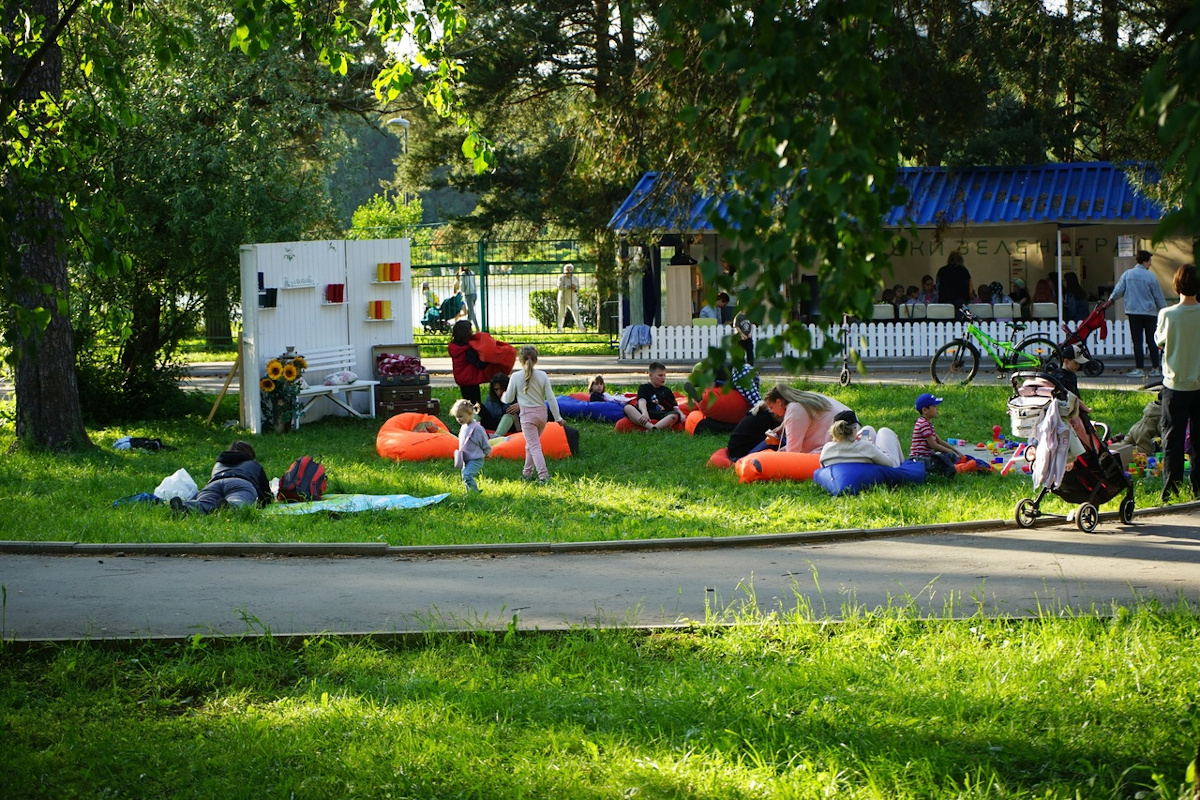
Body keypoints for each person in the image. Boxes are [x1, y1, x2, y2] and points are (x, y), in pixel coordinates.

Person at [1154, 263, 1200, 502]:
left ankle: (1171, 491)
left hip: (1174, 384)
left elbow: (1160, 341)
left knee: (1172, 439)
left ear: (1177, 284)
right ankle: (1199, 489)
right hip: (1199, 384)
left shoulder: (1167, 315)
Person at [501, 345, 564, 483]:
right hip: (542, 414)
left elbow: (509, 398)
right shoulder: (542, 376)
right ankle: (527, 473)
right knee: (531, 444)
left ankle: (543, 476)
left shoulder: (516, 376)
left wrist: (503, 397)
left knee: (534, 446)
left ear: (520, 360)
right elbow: (551, 398)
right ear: (536, 360)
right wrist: (558, 417)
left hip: (527, 416)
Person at [170, 441, 273, 515]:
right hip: (240, 482)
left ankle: (187, 506)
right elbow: (266, 491)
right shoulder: (253, 464)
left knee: (205, 502)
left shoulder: (218, 465)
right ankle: (230, 506)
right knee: (240, 500)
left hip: (214, 484)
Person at [1110, 250, 1167, 378]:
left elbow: (1118, 290)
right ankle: (1155, 367)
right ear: (1145, 261)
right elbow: (1158, 295)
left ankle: (1139, 368)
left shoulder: (1128, 274)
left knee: (1137, 341)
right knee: (1152, 341)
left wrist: (1111, 299)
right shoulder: (1151, 276)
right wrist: (1164, 309)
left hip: (1133, 312)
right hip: (1149, 312)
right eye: (1150, 261)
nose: (1150, 264)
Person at [762, 384, 850, 453]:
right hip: (850, 430)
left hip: (840, 441)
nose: (771, 411)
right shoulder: (802, 401)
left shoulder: (794, 410)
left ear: (778, 402)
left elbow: (792, 452)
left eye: (771, 407)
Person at [448, 319, 513, 405]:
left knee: (468, 402)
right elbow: (480, 365)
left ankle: (470, 416)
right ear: (466, 332)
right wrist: (490, 359)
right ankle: (479, 418)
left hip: (461, 379)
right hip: (470, 380)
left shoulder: (454, 347)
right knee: (476, 405)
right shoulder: (467, 350)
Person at [819, 410, 903, 468]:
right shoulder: (865, 447)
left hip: (850, 452)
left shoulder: (827, 448)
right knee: (884, 431)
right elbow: (889, 463)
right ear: (854, 428)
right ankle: (906, 465)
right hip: (886, 466)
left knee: (868, 429)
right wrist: (872, 446)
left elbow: (822, 466)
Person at [623, 362, 685, 431]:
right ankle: (651, 427)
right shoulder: (644, 388)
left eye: (664, 375)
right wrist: (644, 413)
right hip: (648, 412)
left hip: (662, 414)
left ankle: (653, 429)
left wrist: (681, 414)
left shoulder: (666, 390)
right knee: (627, 408)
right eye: (660, 375)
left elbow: (675, 407)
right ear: (651, 375)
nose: (663, 378)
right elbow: (642, 401)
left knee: (675, 415)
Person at [450, 399, 492, 492]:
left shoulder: (477, 429)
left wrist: (487, 452)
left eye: (461, 416)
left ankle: (475, 493)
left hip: (476, 458)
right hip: (466, 458)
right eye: (456, 417)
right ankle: (469, 492)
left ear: (470, 413)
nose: (458, 419)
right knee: (464, 475)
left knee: (467, 475)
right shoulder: (464, 427)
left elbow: (484, 442)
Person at [910, 393, 958, 461]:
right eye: (934, 406)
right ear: (925, 410)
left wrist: (956, 452)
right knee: (950, 457)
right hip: (921, 459)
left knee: (950, 456)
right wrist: (951, 453)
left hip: (927, 457)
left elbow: (940, 441)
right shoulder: (923, 424)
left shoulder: (927, 423)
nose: (937, 408)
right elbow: (934, 445)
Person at [936, 251, 973, 316]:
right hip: (961, 300)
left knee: (946, 321)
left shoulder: (942, 271)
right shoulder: (964, 271)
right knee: (964, 320)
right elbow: (970, 289)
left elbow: (937, 286)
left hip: (945, 300)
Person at [556, 263, 584, 332]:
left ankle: (581, 328)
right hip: (563, 299)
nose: (568, 272)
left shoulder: (575, 278)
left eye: (569, 270)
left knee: (576, 313)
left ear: (572, 271)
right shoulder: (561, 278)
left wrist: (575, 288)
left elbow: (578, 289)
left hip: (573, 299)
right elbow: (559, 287)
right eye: (566, 270)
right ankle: (559, 329)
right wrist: (568, 287)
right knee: (561, 314)